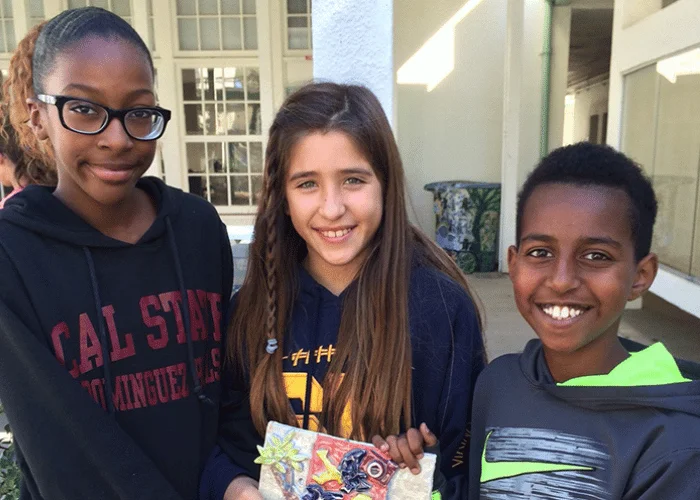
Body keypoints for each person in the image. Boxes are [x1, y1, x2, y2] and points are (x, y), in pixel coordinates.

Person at [200, 82, 486, 500]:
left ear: (385, 183)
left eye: (353, 180)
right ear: (282, 195)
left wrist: (424, 477)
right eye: (307, 184)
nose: (332, 208)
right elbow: (228, 445)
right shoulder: (252, 311)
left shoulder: (439, 309)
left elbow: (467, 467)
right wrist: (238, 488)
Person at [0, 7, 232, 499]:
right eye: (83, 109)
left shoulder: (197, 229)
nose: (118, 138)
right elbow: (61, 448)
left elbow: (226, 391)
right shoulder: (11, 255)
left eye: (139, 111)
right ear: (38, 117)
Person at [468, 142, 700, 499]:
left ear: (640, 276)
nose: (561, 280)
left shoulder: (675, 438)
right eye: (540, 253)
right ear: (513, 265)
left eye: (596, 255)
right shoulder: (497, 384)